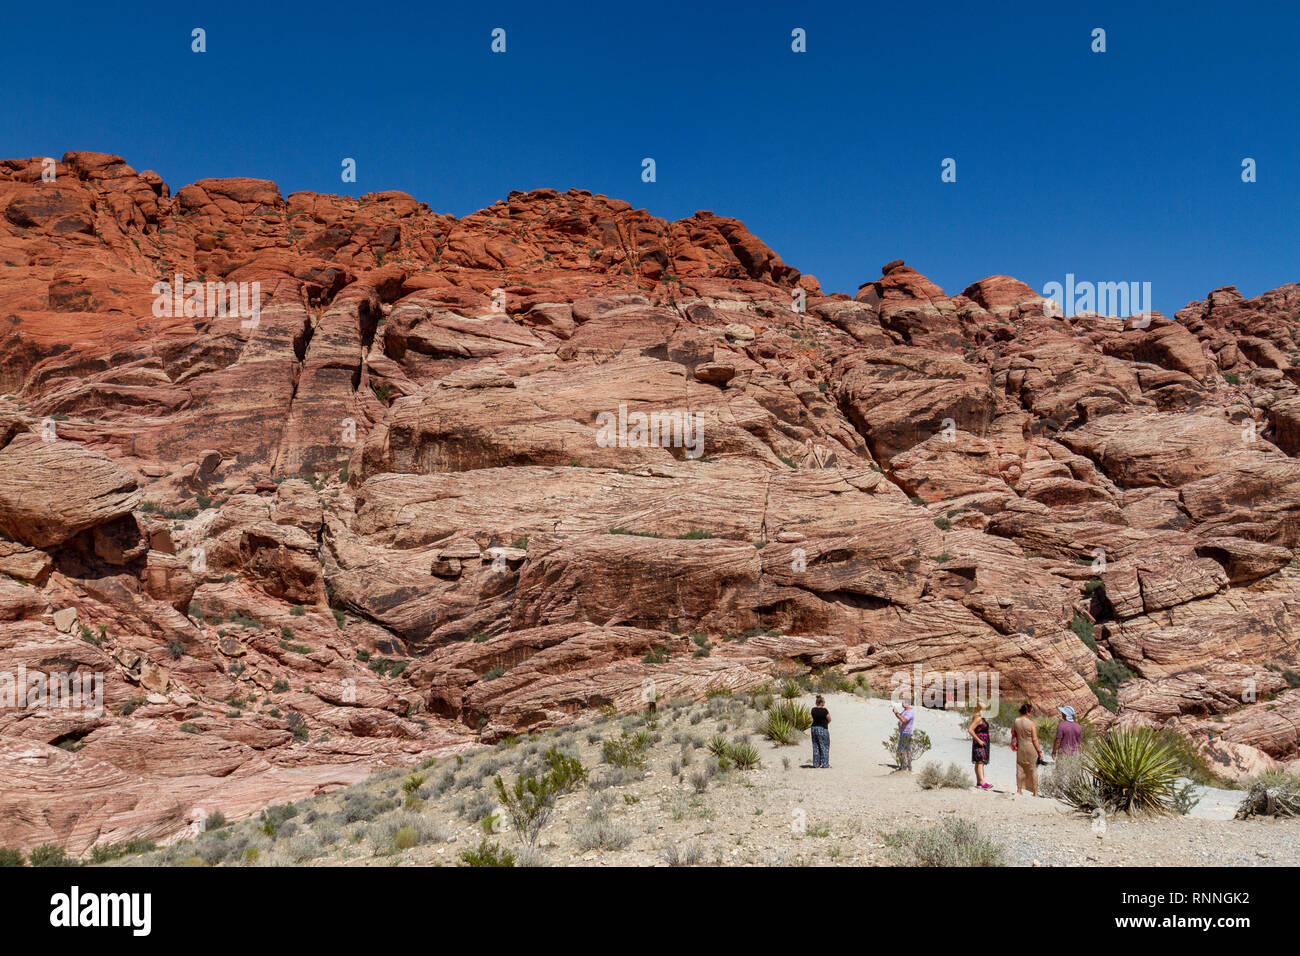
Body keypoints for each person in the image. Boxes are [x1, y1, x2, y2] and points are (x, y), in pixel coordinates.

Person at [1012, 703, 1042, 796]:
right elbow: (1035, 739)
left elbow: (1013, 733)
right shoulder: (1031, 723)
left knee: (1020, 768)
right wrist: (1039, 751)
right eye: (1031, 712)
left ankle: (1019, 790)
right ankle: (1035, 792)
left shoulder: (1015, 721)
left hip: (1021, 747)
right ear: (1028, 712)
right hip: (1031, 748)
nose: (1031, 714)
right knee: (1033, 769)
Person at [968, 703, 992, 789]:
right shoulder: (978, 719)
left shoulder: (981, 718)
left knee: (979, 761)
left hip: (983, 742)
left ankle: (979, 782)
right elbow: (970, 730)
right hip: (979, 742)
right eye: (983, 709)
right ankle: (982, 782)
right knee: (980, 761)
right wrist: (979, 740)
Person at [810, 695, 831, 768]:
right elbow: (829, 719)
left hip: (813, 728)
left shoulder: (813, 710)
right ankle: (825, 764)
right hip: (822, 728)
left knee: (816, 745)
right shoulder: (824, 710)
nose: (824, 703)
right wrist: (825, 724)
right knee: (824, 746)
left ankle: (816, 764)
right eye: (824, 701)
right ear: (821, 702)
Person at [896, 697, 916, 771]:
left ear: (907, 703)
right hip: (903, 732)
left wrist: (896, 713)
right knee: (907, 749)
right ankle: (908, 766)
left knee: (901, 750)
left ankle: (903, 766)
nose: (902, 703)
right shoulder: (905, 710)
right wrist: (896, 713)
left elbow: (904, 720)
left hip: (906, 733)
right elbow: (900, 717)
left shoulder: (910, 712)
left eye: (903, 702)